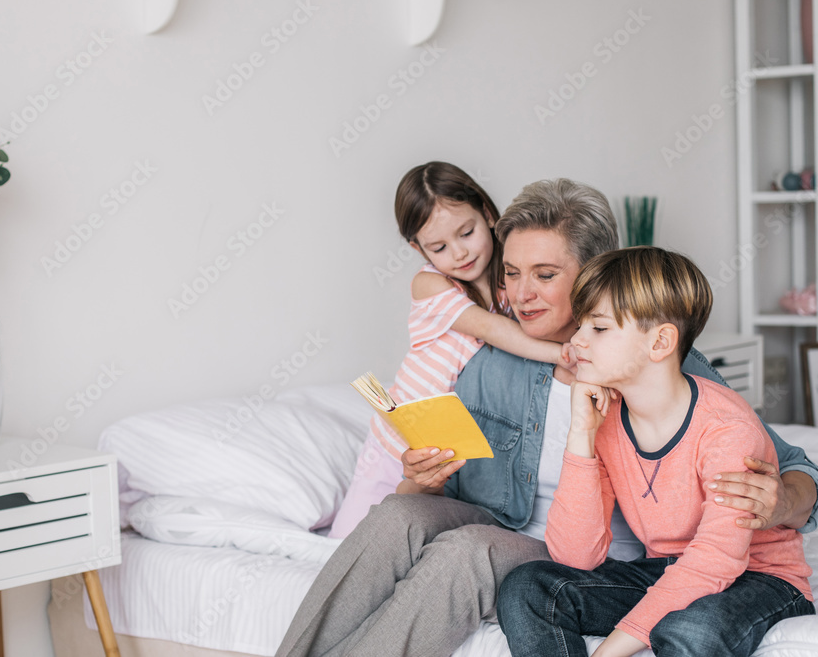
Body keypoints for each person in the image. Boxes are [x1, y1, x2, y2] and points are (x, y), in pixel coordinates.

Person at [276, 179, 818, 657]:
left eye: (545, 274)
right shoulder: (486, 363)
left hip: (594, 556)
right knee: (397, 513)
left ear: (594, 274)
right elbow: (452, 493)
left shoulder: (659, 363)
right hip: (505, 526)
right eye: (511, 274)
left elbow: (792, 468)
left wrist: (780, 502)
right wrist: (420, 481)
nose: (521, 294)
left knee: (467, 553)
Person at [496, 247, 814, 657]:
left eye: (599, 328)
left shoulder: (727, 429)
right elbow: (576, 555)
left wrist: (608, 652)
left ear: (661, 341)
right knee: (528, 586)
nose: (575, 340)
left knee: (689, 632)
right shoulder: (606, 419)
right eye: (581, 325)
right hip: (667, 569)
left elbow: (715, 561)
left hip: (760, 578)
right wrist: (581, 434)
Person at [329, 162, 567, 538]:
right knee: (350, 545)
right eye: (439, 247)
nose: (459, 253)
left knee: (411, 541)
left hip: (450, 446)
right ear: (417, 248)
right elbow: (492, 329)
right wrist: (561, 353)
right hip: (397, 442)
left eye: (467, 233)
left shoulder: (510, 281)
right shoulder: (430, 285)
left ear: (488, 214)